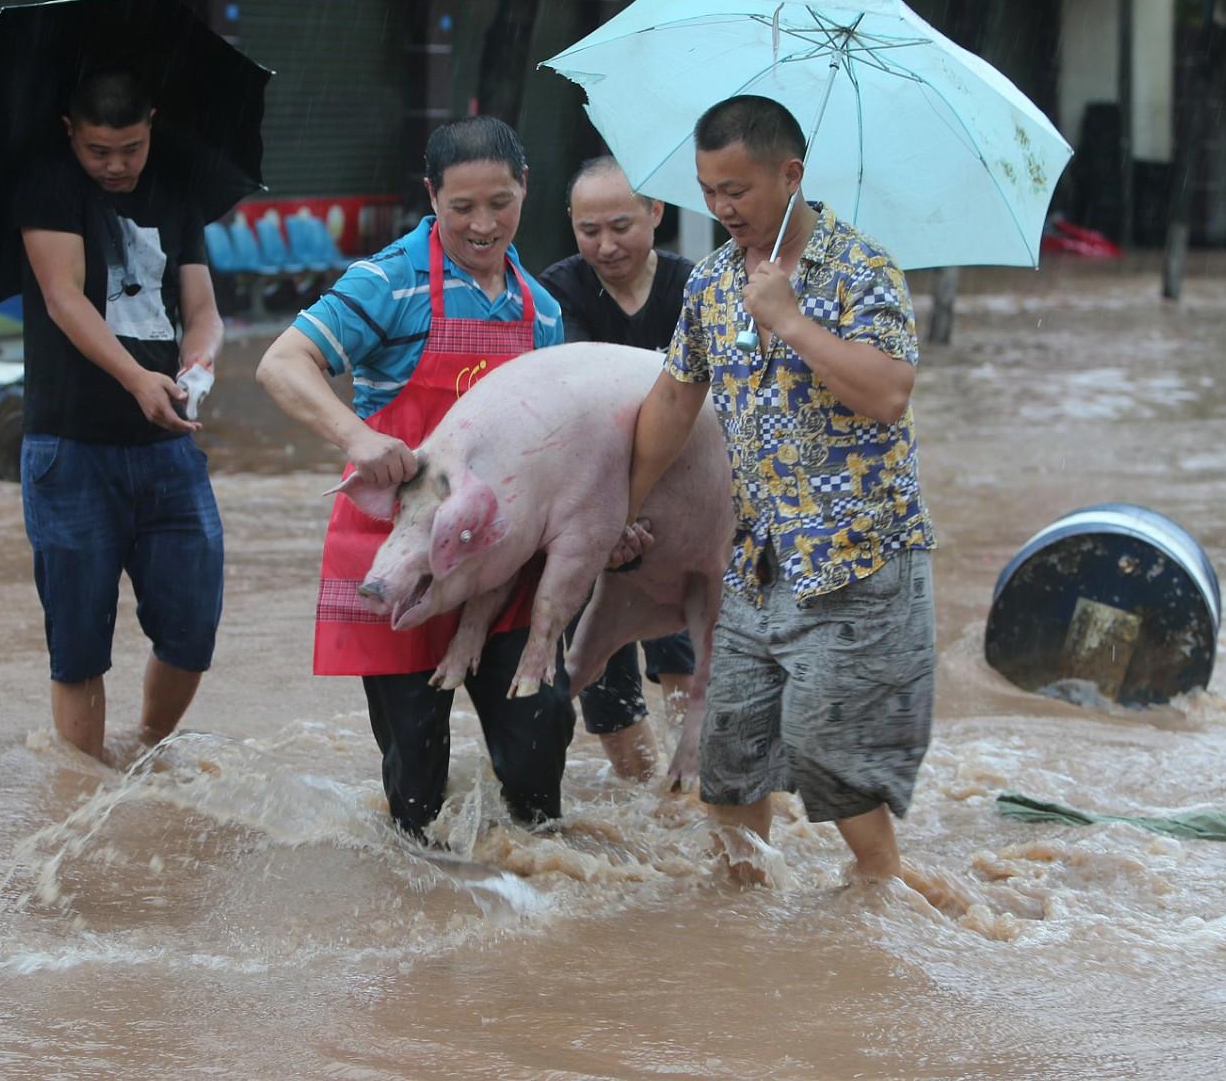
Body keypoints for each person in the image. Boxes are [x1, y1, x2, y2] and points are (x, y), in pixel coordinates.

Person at [613, 95, 939, 892]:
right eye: (709, 190)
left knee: (834, 761)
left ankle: (886, 902)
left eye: (738, 190)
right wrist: (618, 507)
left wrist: (791, 321)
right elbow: (671, 403)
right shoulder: (715, 283)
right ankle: (745, 936)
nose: (723, 209)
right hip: (760, 562)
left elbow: (890, 393)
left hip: (858, 564)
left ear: (791, 175)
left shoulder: (862, 269)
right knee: (728, 756)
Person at [256, 116, 574, 844]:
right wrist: (358, 435)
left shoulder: (544, 311)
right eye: (462, 207)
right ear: (431, 197)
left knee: (536, 750)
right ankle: (427, 916)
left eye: (500, 202)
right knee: (416, 772)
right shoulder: (387, 282)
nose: (483, 224)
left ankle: (537, 910)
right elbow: (282, 363)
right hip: (399, 553)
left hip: (506, 563)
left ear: (526, 189)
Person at [15, 67, 225, 764]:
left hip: (168, 448)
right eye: (98, 150)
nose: (115, 165)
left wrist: (195, 367)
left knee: (193, 627)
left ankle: (145, 753)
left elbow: (201, 311)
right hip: (70, 449)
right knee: (78, 644)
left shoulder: (176, 187)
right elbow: (62, 298)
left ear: (152, 126)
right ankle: (81, 800)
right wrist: (138, 378)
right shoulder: (49, 184)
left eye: (130, 148)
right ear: (71, 132)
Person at [538, 157, 698, 784]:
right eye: (589, 230)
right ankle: (640, 802)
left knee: (684, 659)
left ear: (657, 214)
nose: (606, 246)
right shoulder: (558, 290)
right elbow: (584, 390)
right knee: (600, 673)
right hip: (590, 508)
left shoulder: (698, 287)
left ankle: (688, 796)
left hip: (680, 508)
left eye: (622, 226)